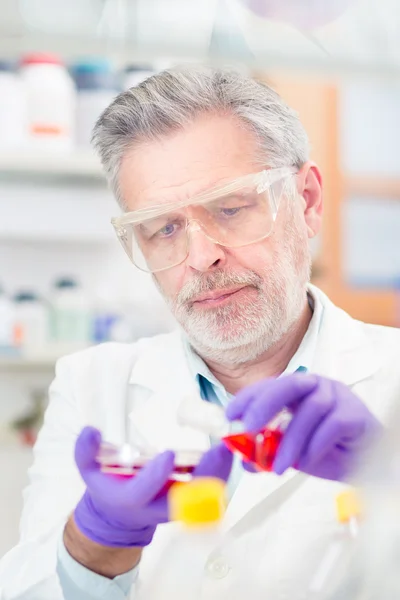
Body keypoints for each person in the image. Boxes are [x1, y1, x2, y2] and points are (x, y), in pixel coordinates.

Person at [1, 65, 399, 600]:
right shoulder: (91, 385)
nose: (200, 256)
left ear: (305, 201)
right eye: (163, 228)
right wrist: (92, 549)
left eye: (230, 209)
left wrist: (389, 480)